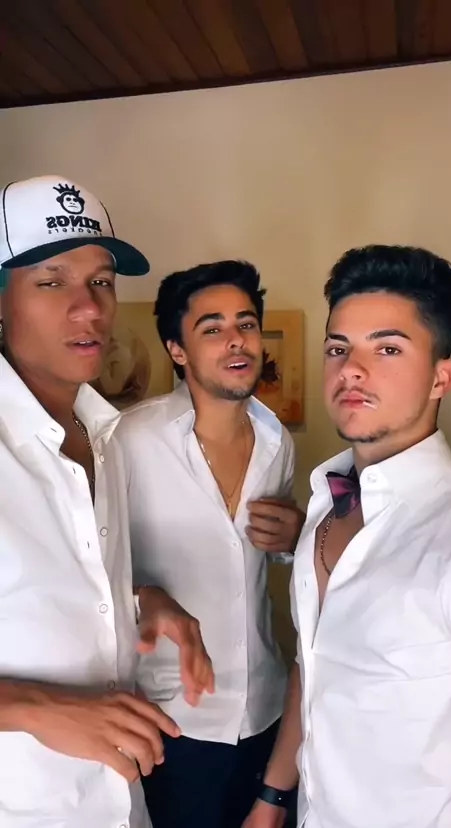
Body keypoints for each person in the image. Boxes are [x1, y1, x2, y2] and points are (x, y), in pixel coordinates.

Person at [0, 175, 213, 828]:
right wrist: (35, 708)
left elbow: (49, 589)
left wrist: (141, 598)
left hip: (119, 804)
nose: (89, 308)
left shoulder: (104, 434)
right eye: (52, 281)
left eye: (101, 280)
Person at [244, 244, 451, 828]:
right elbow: (312, 665)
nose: (351, 368)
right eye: (338, 348)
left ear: (441, 377)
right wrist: (273, 798)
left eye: (388, 348)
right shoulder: (325, 506)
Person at [116, 260, 305, 828]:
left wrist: (295, 538)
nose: (235, 340)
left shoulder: (277, 441)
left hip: (266, 712)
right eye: (212, 328)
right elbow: (90, 564)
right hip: (171, 720)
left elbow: (273, 554)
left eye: (245, 324)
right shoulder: (128, 440)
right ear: (177, 350)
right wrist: (144, 596)